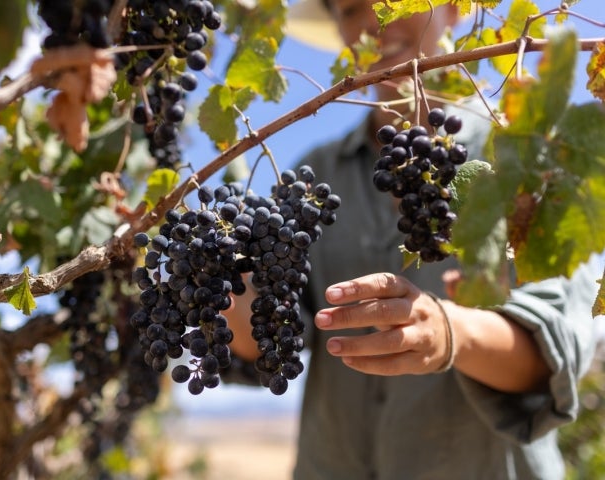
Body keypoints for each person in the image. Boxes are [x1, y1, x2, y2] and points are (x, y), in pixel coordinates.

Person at [223, 0, 603, 479]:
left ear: (455, 10)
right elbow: (270, 339)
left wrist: (451, 334)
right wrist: (217, 280)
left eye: (389, 0)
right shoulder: (311, 178)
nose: (372, 23)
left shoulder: (531, 160)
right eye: (350, 8)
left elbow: (557, 355)